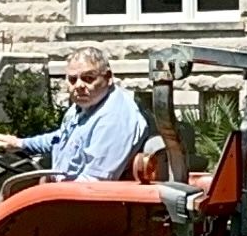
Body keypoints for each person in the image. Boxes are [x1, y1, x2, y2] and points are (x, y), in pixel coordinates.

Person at [17, 48, 153, 183]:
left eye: (88, 78)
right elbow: (61, 139)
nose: (79, 85)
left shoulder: (115, 118)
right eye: (72, 79)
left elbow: (93, 183)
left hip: (85, 200)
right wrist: (21, 144)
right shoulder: (85, 106)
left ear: (108, 77)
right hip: (63, 189)